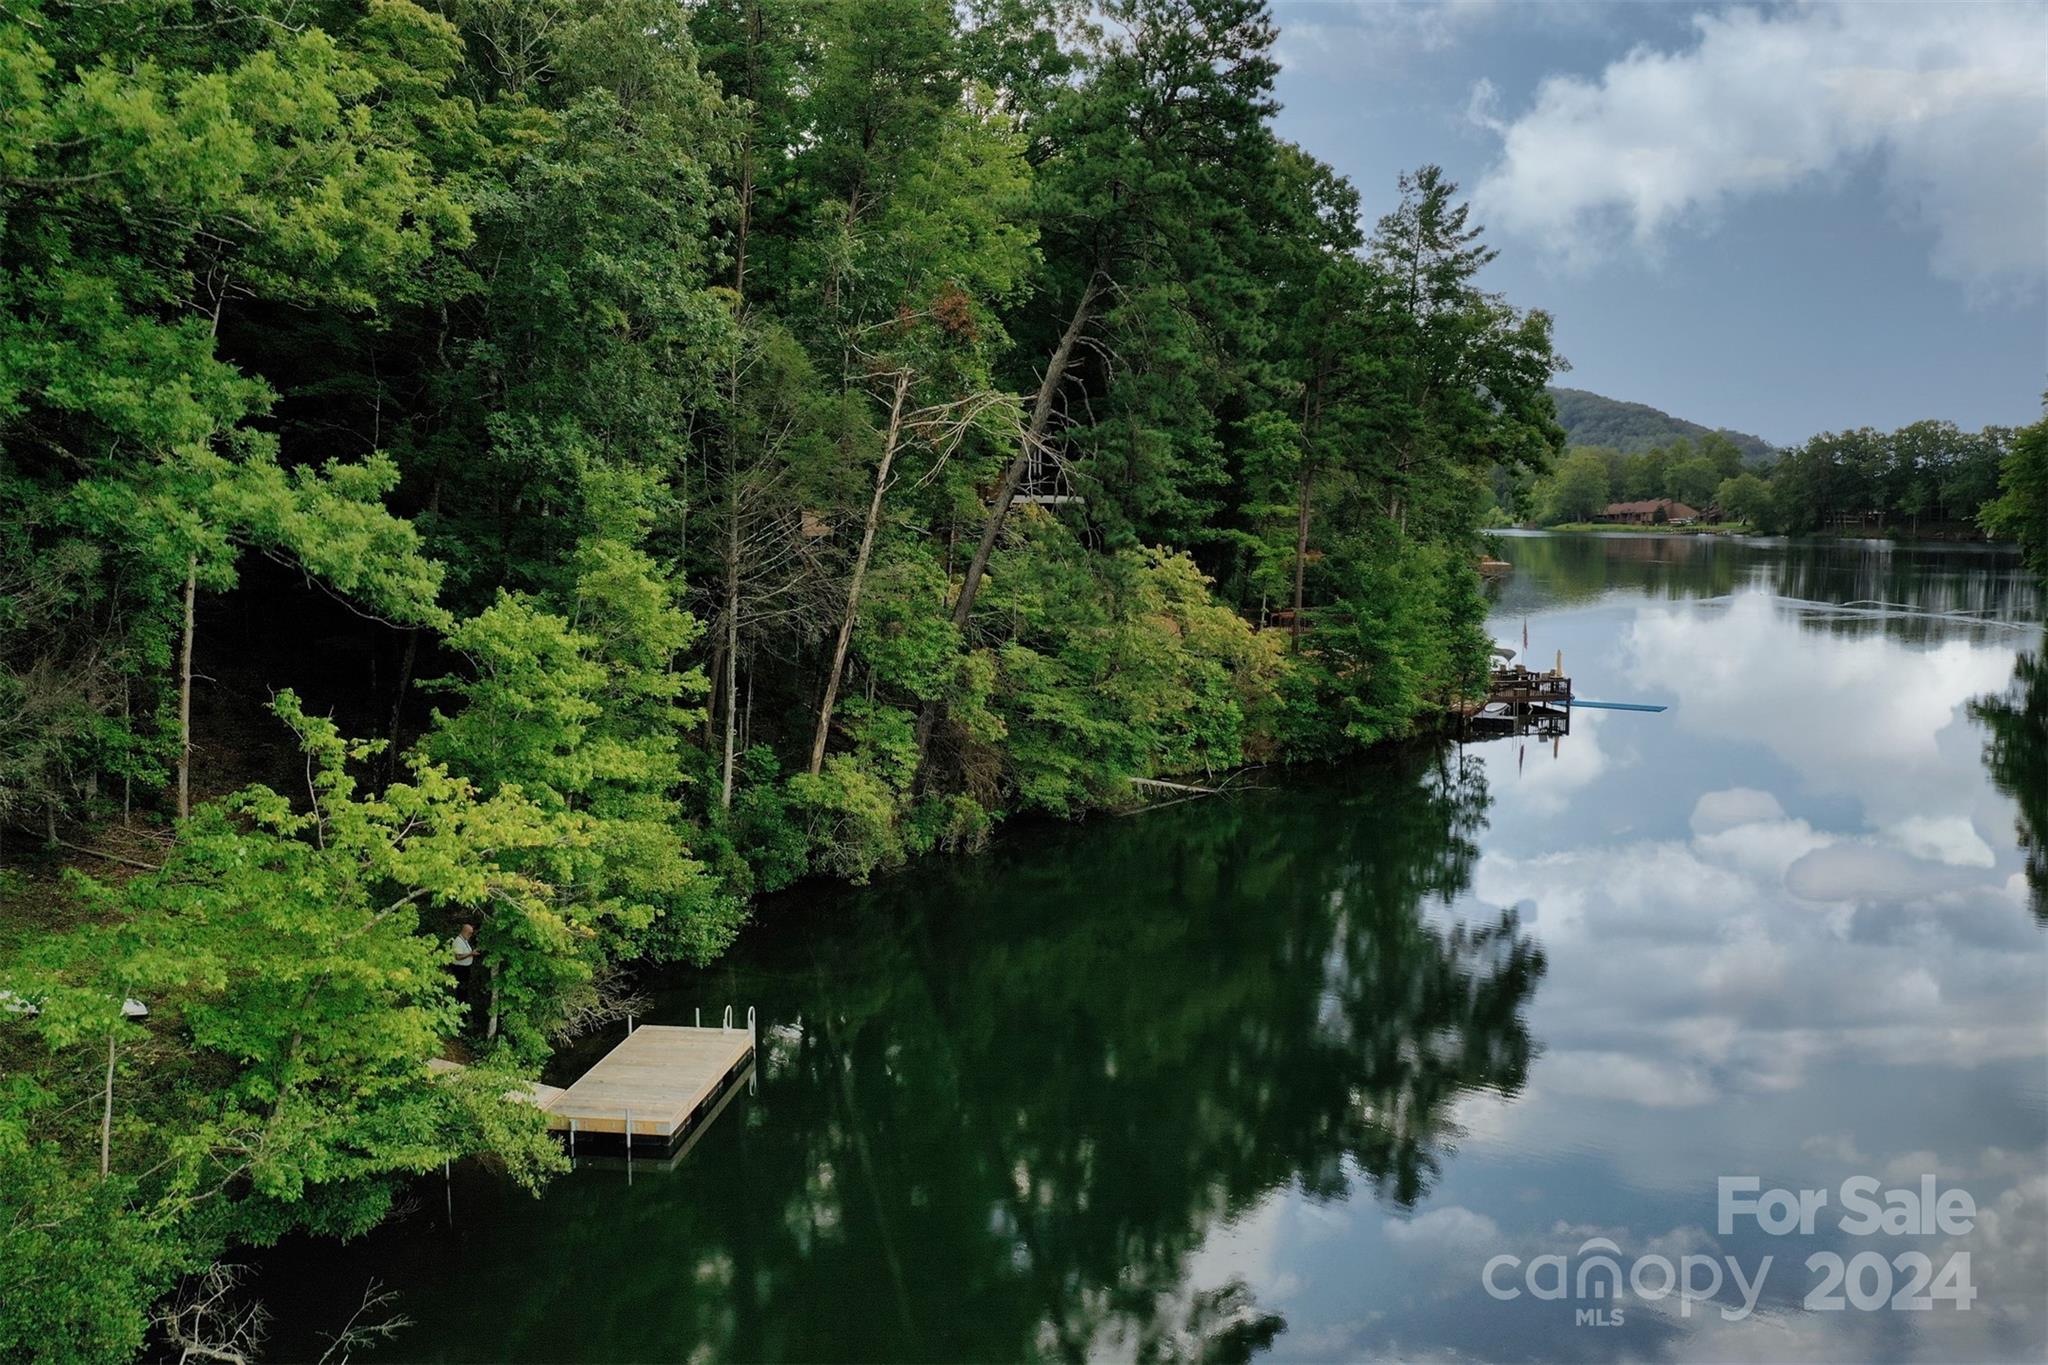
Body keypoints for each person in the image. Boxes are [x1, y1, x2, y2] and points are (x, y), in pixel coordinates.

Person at [448, 922, 478, 1024]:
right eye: (470, 933)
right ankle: (460, 1014)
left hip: (465, 969)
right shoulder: (458, 941)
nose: (470, 935)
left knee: (464, 990)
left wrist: (472, 953)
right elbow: (458, 957)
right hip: (460, 969)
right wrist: (470, 954)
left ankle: (462, 1009)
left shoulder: (464, 940)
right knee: (461, 990)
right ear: (465, 931)